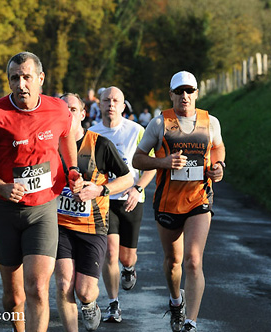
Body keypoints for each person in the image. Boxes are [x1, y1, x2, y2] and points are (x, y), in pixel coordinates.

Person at [0, 52, 83, 332]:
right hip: (5, 211)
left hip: (43, 209)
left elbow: (66, 138)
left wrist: (73, 168)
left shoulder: (58, 110)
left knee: (38, 288)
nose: (21, 84)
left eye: (27, 77)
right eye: (14, 78)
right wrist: (0, 186)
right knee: (14, 298)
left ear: (40, 79)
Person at [132, 71, 225, 332]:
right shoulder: (159, 123)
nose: (185, 96)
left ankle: (190, 323)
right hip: (168, 203)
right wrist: (163, 162)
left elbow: (218, 147)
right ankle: (176, 302)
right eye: (179, 91)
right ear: (171, 94)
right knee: (173, 261)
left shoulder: (211, 122)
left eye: (189, 91)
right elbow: (137, 159)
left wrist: (219, 166)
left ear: (196, 93)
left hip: (199, 198)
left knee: (193, 260)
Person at [55, 93, 133, 332]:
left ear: (83, 114)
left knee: (85, 290)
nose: (68, 114)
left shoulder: (100, 144)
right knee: (63, 284)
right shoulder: (49, 145)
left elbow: (127, 178)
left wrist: (99, 189)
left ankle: (90, 305)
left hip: (93, 227)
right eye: (63, 110)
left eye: (73, 109)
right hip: (59, 226)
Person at [89, 87, 156, 323]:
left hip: (130, 200)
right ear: (100, 104)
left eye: (116, 100)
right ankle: (113, 304)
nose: (111, 104)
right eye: (106, 100)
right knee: (110, 252)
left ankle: (129, 269)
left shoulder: (137, 130)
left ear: (123, 105)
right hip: (104, 201)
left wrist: (138, 189)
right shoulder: (92, 133)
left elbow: (151, 165)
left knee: (127, 257)